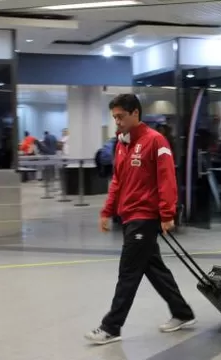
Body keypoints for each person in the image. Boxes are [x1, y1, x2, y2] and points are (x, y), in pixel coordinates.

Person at [85, 94, 195, 345]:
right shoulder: (122, 144)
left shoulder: (156, 141)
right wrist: (107, 210)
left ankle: (111, 327)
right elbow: (118, 181)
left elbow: (167, 179)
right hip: (129, 215)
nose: (117, 122)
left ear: (135, 113)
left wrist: (167, 214)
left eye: (121, 117)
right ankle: (182, 312)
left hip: (145, 217)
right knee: (153, 268)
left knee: (128, 272)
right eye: (114, 117)